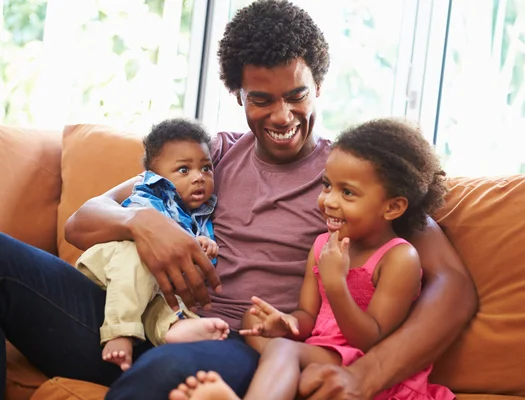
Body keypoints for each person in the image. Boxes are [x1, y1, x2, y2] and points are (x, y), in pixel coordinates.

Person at [0, 1, 477, 399]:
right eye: (261, 99)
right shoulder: (213, 157)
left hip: (235, 342)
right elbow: (83, 221)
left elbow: (453, 288)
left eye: (297, 95)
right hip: (136, 321)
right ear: (237, 95)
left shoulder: (350, 179)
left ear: (319, 88)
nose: (282, 115)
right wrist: (143, 225)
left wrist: (365, 376)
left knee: (163, 375)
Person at [169, 118, 455, 400]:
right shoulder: (322, 245)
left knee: (284, 352)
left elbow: (371, 338)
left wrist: (336, 285)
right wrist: (285, 322)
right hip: (320, 349)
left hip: (360, 363)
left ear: (393, 207)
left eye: (348, 193)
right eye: (327, 185)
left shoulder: (399, 257)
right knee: (254, 321)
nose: (329, 201)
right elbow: (308, 316)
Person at [75, 118, 230, 372]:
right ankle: (120, 332)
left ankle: (174, 328)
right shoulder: (150, 194)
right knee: (139, 262)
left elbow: (192, 262)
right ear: (155, 177)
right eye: (184, 170)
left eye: (206, 168)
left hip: (147, 284)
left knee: (162, 299)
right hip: (114, 266)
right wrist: (191, 241)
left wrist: (205, 249)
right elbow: (154, 233)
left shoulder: (202, 213)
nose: (199, 178)